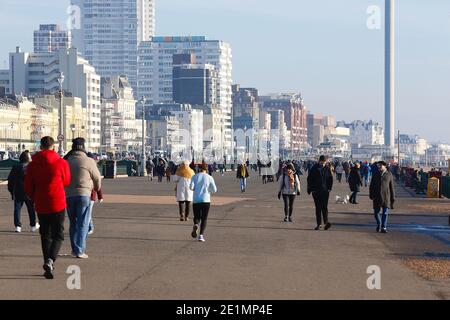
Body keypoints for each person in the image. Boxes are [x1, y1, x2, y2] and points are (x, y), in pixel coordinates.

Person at [24, 136, 71, 279]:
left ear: (40, 147)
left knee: (45, 235)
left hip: (41, 204)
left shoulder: (32, 165)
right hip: (58, 202)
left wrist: (35, 196)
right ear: (54, 147)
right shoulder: (61, 162)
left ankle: (47, 263)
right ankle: (50, 260)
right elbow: (67, 181)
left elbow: (28, 186)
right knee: (58, 234)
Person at [65, 138, 101, 259]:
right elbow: (97, 178)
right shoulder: (89, 161)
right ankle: (80, 250)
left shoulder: (66, 161)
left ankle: (74, 249)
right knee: (83, 223)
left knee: (73, 223)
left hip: (69, 195)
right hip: (84, 194)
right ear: (83, 147)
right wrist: (96, 188)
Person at [8, 150, 39, 233]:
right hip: (29, 192)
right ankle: (33, 225)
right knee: (31, 209)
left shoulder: (15, 167)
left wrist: (11, 191)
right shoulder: (31, 167)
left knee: (17, 209)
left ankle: (18, 226)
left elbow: (10, 181)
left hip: (18, 191)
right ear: (28, 158)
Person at [189, 163, 218, 242]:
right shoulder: (209, 177)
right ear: (206, 169)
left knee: (197, 216)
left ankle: (196, 224)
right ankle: (201, 235)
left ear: (199, 169)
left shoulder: (194, 176)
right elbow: (215, 189)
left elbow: (191, 187)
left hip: (196, 200)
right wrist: (208, 191)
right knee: (204, 218)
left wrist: (196, 189)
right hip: (206, 200)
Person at [307, 155, 333, 230]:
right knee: (318, 207)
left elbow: (330, 179)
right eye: (323, 162)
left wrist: (329, 188)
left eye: (325, 162)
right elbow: (309, 179)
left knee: (324, 207)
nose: (324, 164)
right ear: (320, 161)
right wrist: (311, 189)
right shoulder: (314, 168)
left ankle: (326, 223)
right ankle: (319, 224)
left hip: (325, 191)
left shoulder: (327, 169)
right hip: (316, 191)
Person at [369, 161, 395, 233]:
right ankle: (379, 224)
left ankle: (384, 227)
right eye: (378, 166)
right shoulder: (375, 174)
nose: (379, 167)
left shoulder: (389, 174)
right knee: (376, 213)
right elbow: (371, 185)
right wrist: (371, 194)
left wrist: (393, 198)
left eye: (380, 166)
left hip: (386, 197)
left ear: (384, 166)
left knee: (385, 213)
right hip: (376, 196)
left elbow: (391, 187)